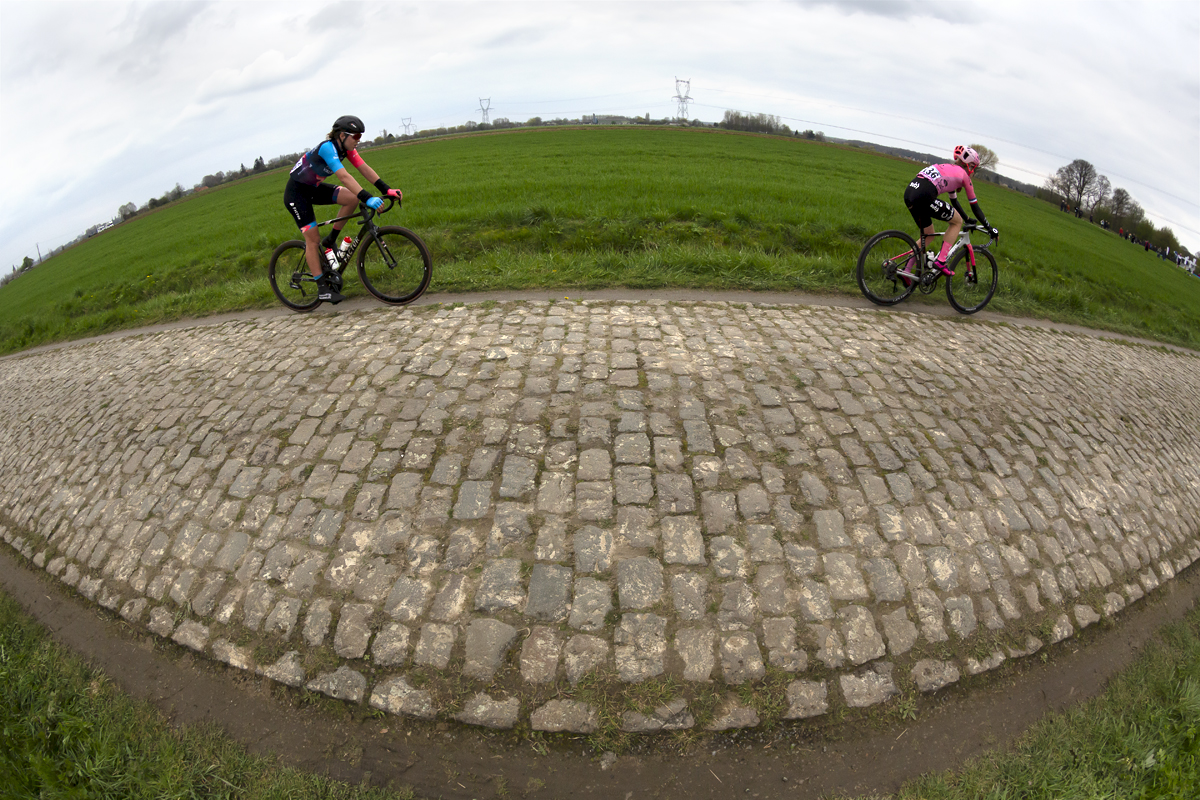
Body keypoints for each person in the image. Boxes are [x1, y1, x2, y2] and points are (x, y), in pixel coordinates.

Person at [283, 115, 402, 303]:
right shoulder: (327, 148)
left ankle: (330, 240)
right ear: (341, 135)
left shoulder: (346, 150)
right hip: (296, 195)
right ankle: (322, 288)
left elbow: (364, 168)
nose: (358, 141)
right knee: (312, 239)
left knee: (352, 199)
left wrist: (386, 189)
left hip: (313, 188)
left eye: (360, 137)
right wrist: (369, 198)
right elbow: (344, 177)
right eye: (355, 137)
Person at [901, 146, 998, 281]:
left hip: (910, 192)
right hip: (924, 195)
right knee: (957, 222)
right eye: (974, 168)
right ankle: (941, 261)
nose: (973, 173)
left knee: (928, 235)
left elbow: (954, 203)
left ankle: (906, 271)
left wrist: (968, 218)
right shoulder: (964, 177)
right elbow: (975, 207)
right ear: (970, 166)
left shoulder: (948, 168)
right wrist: (990, 228)